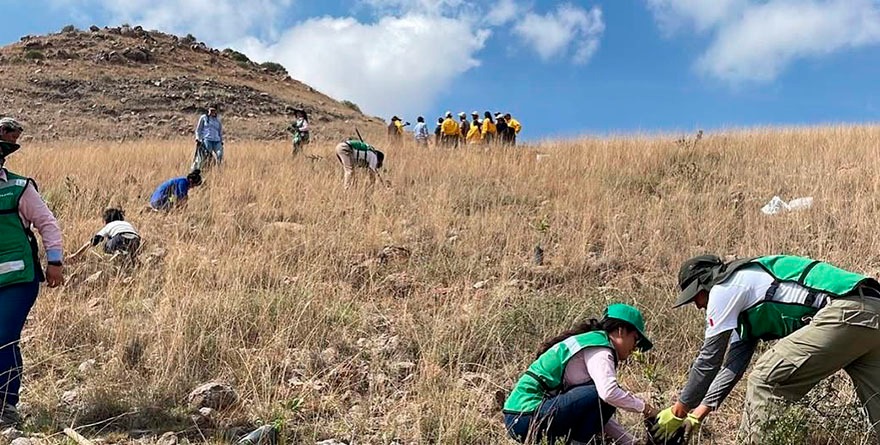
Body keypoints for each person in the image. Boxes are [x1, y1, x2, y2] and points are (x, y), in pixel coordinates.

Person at [652, 254, 880, 444]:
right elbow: (733, 365)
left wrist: (678, 411)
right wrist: (697, 414)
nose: (698, 305)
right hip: (870, 309)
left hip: (845, 311)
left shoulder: (723, 289)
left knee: (763, 380)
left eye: (696, 297)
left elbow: (709, 360)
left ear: (705, 283)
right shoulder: (746, 291)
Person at [503, 303, 657, 445]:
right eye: (635, 339)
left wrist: (630, 442)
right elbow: (607, 394)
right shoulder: (600, 348)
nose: (635, 348)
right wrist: (646, 408)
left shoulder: (590, 342)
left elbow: (597, 415)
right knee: (608, 394)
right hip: (527, 415)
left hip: (521, 418)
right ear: (621, 331)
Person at [0, 117, 64, 424]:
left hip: (18, 278)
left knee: (4, 337)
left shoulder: (18, 188)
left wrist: (55, 262)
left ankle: (6, 406)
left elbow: (47, 224)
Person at [67, 208, 141, 261]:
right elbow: (138, 236)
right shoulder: (127, 224)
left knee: (106, 246)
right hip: (135, 239)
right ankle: (129, 256)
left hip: (119, 238)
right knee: (130, 251)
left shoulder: (109, 225)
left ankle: (118, 253)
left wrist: (76, 254)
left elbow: (93, 241)